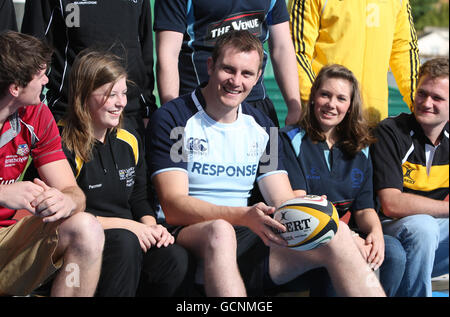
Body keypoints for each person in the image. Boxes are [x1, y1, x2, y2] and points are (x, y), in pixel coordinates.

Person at [146, 30, 385, 297]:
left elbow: (281, 198)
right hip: (187, 232)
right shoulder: (177, 118)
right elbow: (174, 206)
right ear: (211, 66)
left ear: (258, 77)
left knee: (338, 233)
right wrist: (242, 216)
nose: (236, 81)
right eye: (228, 69)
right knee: (221, 232)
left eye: (247, 74)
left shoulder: (262, 126)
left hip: (248, 234)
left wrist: (327, 222)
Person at [59, 49, 192, 297]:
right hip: (85, 244)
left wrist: (152, 228)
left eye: (123, 93)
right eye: (111, 95)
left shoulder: (128, 139)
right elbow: (68, 218)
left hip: (130, 236)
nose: (121, 102)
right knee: (125, 243)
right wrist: (132, 228)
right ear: (84, 95)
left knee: (173, 256)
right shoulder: (62, 144)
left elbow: (138, 199)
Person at [280, 64, 406, 296]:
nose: (331, 104)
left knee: (394, 253)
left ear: (350, 106)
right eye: (325, 94)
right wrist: (350, 239)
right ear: (314, 97)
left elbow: (364, 208)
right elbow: (302, 207)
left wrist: (375, 232)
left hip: (347, 234)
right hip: (306, 239)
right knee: (337, 254)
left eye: (341, 98)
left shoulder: (362, 148)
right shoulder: (289, 139)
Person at [0, 31, 104, 297]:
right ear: (15, 87)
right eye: (41, 75)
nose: (48, 81)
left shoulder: (36, 114)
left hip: (8, 240)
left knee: (87, 228)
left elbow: (73, 192)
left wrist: (65, 201)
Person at [154, 0, 302, 127]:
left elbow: (281, 48)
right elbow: (168, 54)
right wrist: (172, 113)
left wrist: (295, 107)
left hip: (256, 104)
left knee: (271, 159)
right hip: (197, 106)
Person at [371, 57, 449, 297]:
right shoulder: (391, 131)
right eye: (422, 93)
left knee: (426, 227)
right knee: (423, 227)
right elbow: (391, 204)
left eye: (437, 98)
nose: (426, 103)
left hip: (432, 236)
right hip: (390, 230)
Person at [21, 0, 157, 137]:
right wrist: (32, 113)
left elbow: (144, 50)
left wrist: (147, 110)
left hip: (128, 117)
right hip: (71, 117)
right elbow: (33, 51)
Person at [288, 0, 420, 127]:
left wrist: (420, 105)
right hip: (325, 119)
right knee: (274, 147)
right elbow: (296, 53)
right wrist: (314, 103)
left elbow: (404, 51)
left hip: (373, 120)